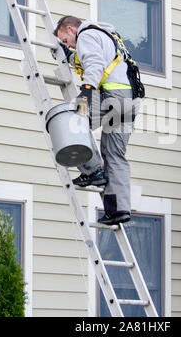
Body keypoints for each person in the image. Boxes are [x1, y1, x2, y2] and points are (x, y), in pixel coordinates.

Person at [54, 16, 141, 225]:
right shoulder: (105, 34)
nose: (68, 44)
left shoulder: (86, 34)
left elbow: (94, 63)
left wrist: (85, 93)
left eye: (66, 40)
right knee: (114, 155)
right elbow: (95, 58)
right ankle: (118, 210)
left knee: (69, 125)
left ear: (71, 29)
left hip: (113, 97)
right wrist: (69, 55)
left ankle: (92, 171)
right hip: (129, 102)